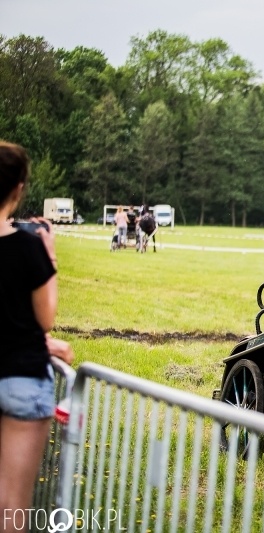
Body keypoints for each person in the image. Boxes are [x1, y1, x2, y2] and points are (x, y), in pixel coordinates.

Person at [0, 141, 75, 531]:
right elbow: (44, 318)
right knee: (12, 504)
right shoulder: (29, 247)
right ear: (19, 189)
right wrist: (50, 258)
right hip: (21, 377)